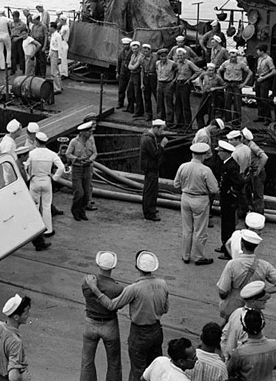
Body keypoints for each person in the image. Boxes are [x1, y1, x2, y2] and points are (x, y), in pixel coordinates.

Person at [85, 251, 169, 381]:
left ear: (137, 267)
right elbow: (165, 309)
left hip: (139, 333)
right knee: (155, 369)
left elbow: (112, 305)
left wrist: (95, 289)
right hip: (157, 331)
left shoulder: (133, 289)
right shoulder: (163, 284)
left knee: (137, 369)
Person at [217, 229, 276, 320]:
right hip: (253, 309)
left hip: (233, 308)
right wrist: (261, 292)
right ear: (256, 247)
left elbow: (222, 292)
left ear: (241, 245)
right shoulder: (264, 265)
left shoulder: (232, 265)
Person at [80, 251, 124, 381]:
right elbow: (118, 306)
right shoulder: (117, 289)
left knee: (87, 362)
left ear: (98, 264)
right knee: (114, 363)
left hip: (90, 323)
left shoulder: (86, 282)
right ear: (113, 267)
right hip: (109, 325)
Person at [174, 143, 220, 265]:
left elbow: (176, 184)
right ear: (203, 156)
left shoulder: (183, 166)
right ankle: (199, 256)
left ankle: (185, 255)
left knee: (187, 229)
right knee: (200, 230)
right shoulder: (205, 170)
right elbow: (214, 189)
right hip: (200, 199)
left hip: (185, 197)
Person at [25, 131, 65, 237]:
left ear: (37, 141)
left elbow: (24, 166)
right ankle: (48, 230)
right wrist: (54, 177)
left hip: (34, 181)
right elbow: (61, 168)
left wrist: (28, 177)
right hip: (46, 181)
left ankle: (35, 230)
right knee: (46, 206)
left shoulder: (31, 154)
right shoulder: (52, 154)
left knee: (35, 206)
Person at [220, 280, 271, 361]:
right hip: (241, 364)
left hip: (231, 359)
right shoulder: (251, 321)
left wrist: (225, 355)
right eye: (262, 300)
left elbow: (224, 335)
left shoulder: (237, 312)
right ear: (253, 301)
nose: (266, 301)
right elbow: (246, 349)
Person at [226, 309, 276, 380]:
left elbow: (229, 372)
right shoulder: (274, 345)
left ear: (244, 328)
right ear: (262, 324)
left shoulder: (240, 352)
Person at [215, 140, 245, 261]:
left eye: (220, 152)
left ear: (226, 152)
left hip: (229, 199)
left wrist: (232, 192)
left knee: (229, 224)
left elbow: (240, 182)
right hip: (225, 198)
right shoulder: (226, 163)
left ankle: (229, 251)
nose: (218, 154)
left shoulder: (231, 166)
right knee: (224, 223)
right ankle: (224, 245)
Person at [66, 122, 97, 222]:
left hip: (87, 168)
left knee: (87, 193)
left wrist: (90, 159)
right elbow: (68, 154)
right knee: (79, 192)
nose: (90, 133)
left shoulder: (90, 141)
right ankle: (75, 211)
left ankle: (82, 211)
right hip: (77, 169)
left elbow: (95, 153)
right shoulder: (74, 142)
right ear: (83, 132)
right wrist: (77, 159)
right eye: (89, 131)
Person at [140, 120, 169, 221]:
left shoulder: (149, 137)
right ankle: (149, 213)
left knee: (152, 189)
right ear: (156, 128)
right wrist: (162, 145)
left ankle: (150, 208)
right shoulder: (148, 140)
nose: (162, 132)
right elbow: (155, 154)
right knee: (150, 190)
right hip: (150, 168)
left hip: (151, 167)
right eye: (161, 129)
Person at [218, 49, 253, 125]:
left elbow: (250, 73)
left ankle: (237, 121)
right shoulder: (226, 63)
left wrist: (244, 84)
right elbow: (219, 71)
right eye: (231, 57)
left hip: (237, 84)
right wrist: (222, 82)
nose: (233, 58)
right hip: (228, 84)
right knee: (227, 103)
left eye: (234, 57)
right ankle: (228, 121)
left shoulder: (241, 64)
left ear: (236, 56)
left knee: (237, 103)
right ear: (229, 56)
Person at [173, 49, 202, 129]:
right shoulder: (176, 63)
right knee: (177, 104)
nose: (179, 57)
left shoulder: (189, 63)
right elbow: (175, 72)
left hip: (185, 84)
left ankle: (188, 125)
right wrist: (175, 79)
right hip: (177, 84)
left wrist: (190, 79)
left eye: (181, 55)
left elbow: (198, 71)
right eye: (178, 55)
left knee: (185, 105)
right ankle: (179, 123)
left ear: (185, 56)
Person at [241, 128, 268, 214]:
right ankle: (248, 208)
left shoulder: (252, 146)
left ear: (245, 139)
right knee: (245, 188)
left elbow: (264, 157)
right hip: (251, 170)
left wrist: (259, 169)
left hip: (256, 171)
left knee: (258, 193)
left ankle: (258, 213)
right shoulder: (246, 146)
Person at [196, 63, 226, 129]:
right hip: (205, 94)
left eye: (212, 70)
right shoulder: (204, 75)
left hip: (213, 96)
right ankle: (200, 126)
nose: (211, 72)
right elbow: (200, 79)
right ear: (207, 70)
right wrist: (202, 87)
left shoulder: (217, 77)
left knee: (211, 112)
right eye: (209, 70)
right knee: (199, 111)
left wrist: (215, 88)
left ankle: (209, 126)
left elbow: (224, 85)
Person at [254, 44, 276, 124]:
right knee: (258, 98)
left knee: (264, 99)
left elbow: (273, 71)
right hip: (258, 78)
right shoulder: (259, 59)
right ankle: (261, 116)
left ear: (262, 51)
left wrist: (264, 78)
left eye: (258, 50)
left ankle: (268, 118)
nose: (257, 52)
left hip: (264, 80)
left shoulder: (268, 59)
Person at [154, 48, 177, 124]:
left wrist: (173, 81)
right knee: (159, 102)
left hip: (168, 83)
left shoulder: (172, 63)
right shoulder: (157, 63)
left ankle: (170, 120)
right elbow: (157, 71)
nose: (163, 58)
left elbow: (177, 71)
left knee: (169, 102)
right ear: (159, 57)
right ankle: (160, 118)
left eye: (165, 56)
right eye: (161, 56)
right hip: (160, 83)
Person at [140, 44, 157, 121]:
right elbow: (142, 71)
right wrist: (142, 83)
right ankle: (148, 114)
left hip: (154, 77)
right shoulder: (142, 59)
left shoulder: (155, 58)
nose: (145, 52)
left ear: (150, 50)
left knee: (157, 97)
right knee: (146, 97)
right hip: (146, 77)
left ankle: (161, 114)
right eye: (144, 51)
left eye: (147, 51)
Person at [126, 41, 144, 115]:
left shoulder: (141, 56)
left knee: (137, 93)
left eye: (136, 49)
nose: (134, 50)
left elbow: (134, 66)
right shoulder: (133, 55)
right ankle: (130, 108)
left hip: (137, 75)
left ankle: (139, 111)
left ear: (139, 48)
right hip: (132, 74)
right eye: (133, 49)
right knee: (129, 91)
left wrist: (131, 67)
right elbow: (129, 65)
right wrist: (131, 67)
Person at [117, 38, 133, 110]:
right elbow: (118, 63)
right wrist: (117, 72)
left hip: (130, 74)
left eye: (127, 44)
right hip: (122, 73)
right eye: (124, 45)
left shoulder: (132, 53)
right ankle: (120, 102)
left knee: (130, 90)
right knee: (121, 89)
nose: (125, 46)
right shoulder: (121, 53)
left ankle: (130, 104)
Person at [30, 13, 47, 78]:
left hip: (41, 41)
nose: (33, 22)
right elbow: (32, 34)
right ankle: (37, 72)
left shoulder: (43, 26)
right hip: (35, 41)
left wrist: (44, 46)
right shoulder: (33, 26)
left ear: (38, 19)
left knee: (42, 58)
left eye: (34, 20)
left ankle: (43, 73)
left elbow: (45, 36)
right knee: (36, 58)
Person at [49, 22, 63, 94]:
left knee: (54, 72)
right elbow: (51, 45)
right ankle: (59, 85)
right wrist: (49, 54)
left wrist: (60, 57)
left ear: (52, 27)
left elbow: (60, 47)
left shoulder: (58, 36)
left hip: (56, 52)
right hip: (53, 52)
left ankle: (57, 88)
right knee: (56, 71)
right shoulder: (53, 35)